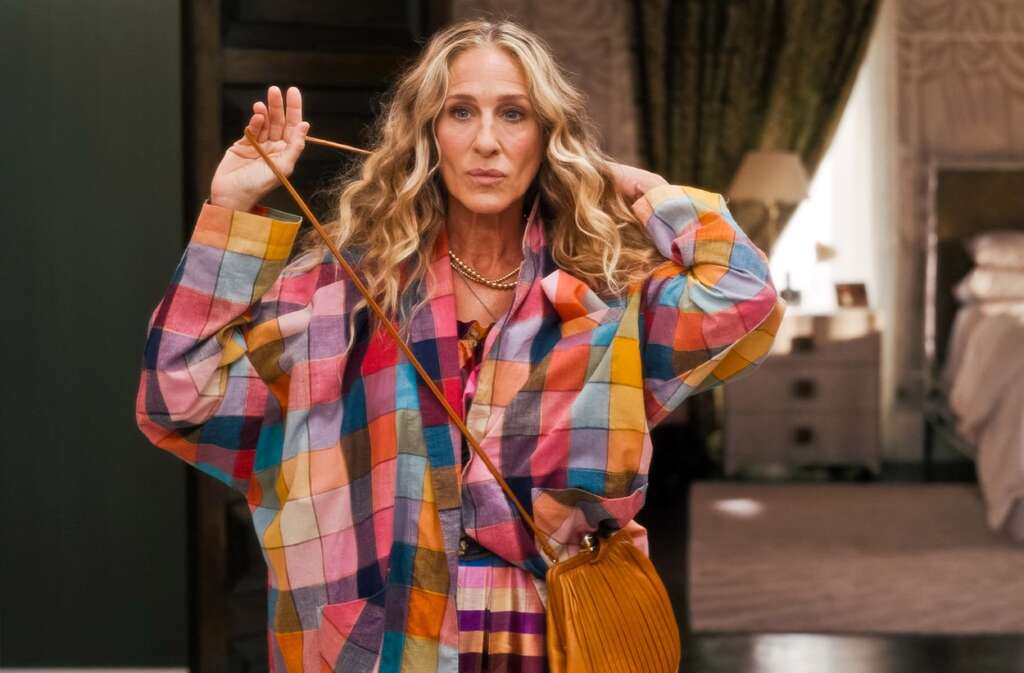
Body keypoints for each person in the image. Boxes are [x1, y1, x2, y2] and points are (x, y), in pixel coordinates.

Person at [135, 18, 784, 673]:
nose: (486, 142)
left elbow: (744, 296)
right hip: (389, 640)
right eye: (461, 112)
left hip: (554, 636)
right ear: (427, 134)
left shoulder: (606, 297)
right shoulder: (345, 293)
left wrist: (647, 191)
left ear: (547, 137)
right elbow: (180, 397)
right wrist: (231, 209)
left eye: (514, 114)